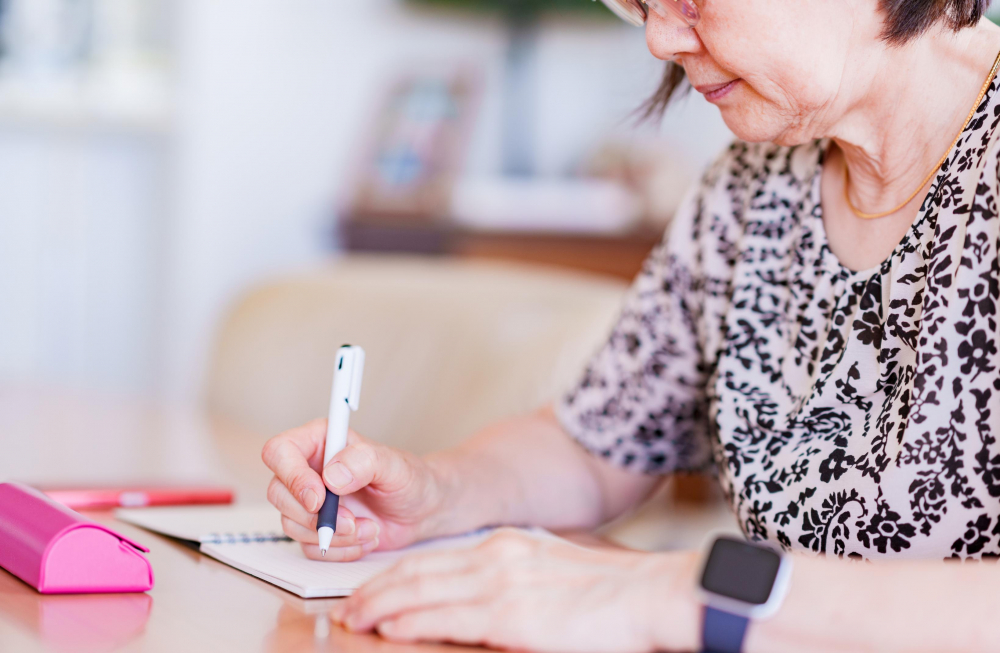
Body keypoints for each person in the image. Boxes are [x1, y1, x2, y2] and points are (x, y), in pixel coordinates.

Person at [262, 0, 1000, 650]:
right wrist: (433, 492)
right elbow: (594, 445)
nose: (657, 40)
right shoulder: (752, 185)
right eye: (639, 3)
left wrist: (684, 593)